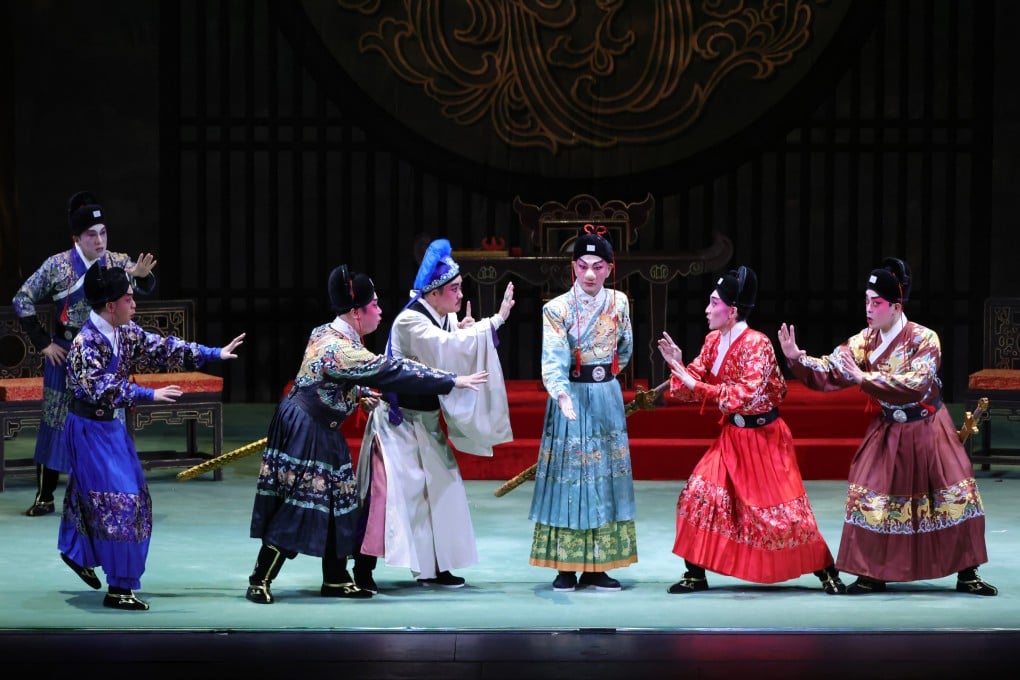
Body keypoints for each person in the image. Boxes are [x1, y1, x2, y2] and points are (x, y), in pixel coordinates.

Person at [248, 264, 490, 604]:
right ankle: (259, 578)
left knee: (338, 500)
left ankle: (334, 578)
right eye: (374, 304)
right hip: (308, 428)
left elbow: (330, 377)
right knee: (304, 502)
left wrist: (358, 392)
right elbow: (392, 370)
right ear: (356, 313)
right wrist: (451, 380)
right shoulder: (342, 349)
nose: (380, 309)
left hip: (321, 424)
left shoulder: (327, 333)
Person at [778, 257, 996, 596]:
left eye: (876, 303)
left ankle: (967, 571)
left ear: (895, 306)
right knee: (871, 496)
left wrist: (865, 378)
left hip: (927, 427)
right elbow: (832, 370)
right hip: (889, 429)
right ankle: (871, 572)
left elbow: (916, 383)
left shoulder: (925, 339)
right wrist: (796, 358)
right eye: (866, 301)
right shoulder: (864, 341)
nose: (868, 309)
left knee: (951, 495)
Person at [59, 263, 243, 611]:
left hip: (111, 428)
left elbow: (164, 347)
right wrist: (148, 394)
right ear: (110, 305)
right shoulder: (86, 342)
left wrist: (213, 353)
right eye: (129, 298)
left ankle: (78, 552)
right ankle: (119, 587)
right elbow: (100, 387)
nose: (135, 304)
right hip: (89, 429)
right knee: (120, 502)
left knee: (125, 498)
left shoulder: (122, 332)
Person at [656, 266, 845, 595]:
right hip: (731, 436)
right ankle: (695, 572)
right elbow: (690, 385)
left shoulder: (757, 344)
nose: (706, 309)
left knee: (783, 515)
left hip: (764, 438)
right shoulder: (714, 340)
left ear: (731, 311)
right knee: (698, 495)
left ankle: (825, 569)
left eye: (713, 303)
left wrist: (697, 385)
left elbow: (748, 394)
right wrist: (678, 365)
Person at [355, 239, 514, 591]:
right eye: (454, 289)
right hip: (397, 423)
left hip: (425, 422)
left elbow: (450, 341)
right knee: (387, 497)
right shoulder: (412, 321)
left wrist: (467, 329)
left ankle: (436, 568)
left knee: (442, 493)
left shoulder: (441, 318)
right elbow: (445, 348)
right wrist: (493, 323)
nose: (459, 295)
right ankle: (362, 570)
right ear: (435, 292)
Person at [12, 191, 157, 517]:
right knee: (55, 422)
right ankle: (44, 496)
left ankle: (112, 494)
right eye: (92, 234)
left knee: (110, 423)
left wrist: (143, 278)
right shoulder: (57, 265)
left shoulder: (117, 261)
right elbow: (22, 299)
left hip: (104, 357)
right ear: (77, 237)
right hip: (64, 355)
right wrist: (43, 342)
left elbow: (141, 282)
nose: (99, 240)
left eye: (103, 232)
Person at [528, 224, 636, 592]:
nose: (590, 274)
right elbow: (553, 357)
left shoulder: (619, 302)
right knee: (571, 478)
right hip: (571, 395)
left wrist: (606, 378)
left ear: (610, 267)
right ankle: (565, 566)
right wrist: (560, 393)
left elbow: (625, 348)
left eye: (599, 266)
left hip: (605, 396)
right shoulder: (556, 309)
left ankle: (598, 567)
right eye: (583, 265)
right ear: (573, 266)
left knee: (605, 476)